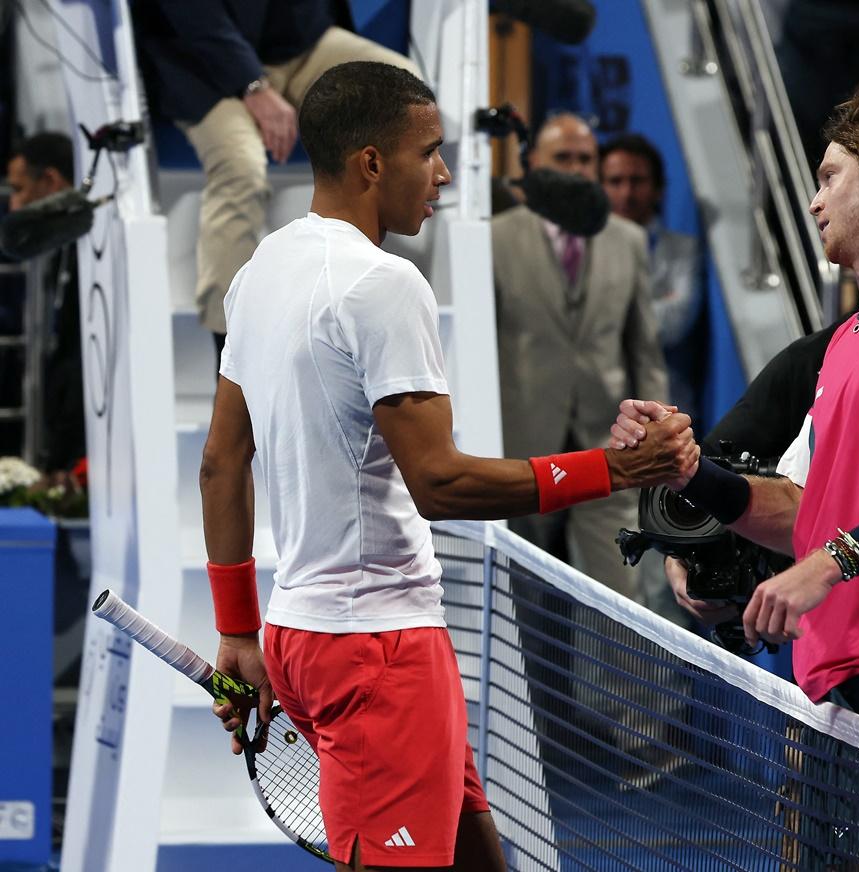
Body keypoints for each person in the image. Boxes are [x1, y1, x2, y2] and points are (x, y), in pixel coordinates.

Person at [199, 62, 696, 872]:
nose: (443, 174)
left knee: (479, 858)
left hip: (307, 634)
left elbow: (222, 463)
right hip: (377, 651)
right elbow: (441, 483)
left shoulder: (263, 269)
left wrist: (236, 631)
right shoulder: (384, 284)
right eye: (428, 152)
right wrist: (617, 469)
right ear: (369, 163)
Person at [616, 90, 859, 761]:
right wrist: (691, 473)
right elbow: (805, 513)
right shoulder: (844, 342)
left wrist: (828, 566)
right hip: (834, 677)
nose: (814, 200)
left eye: (831, 176)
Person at [131, 0, 421, 352]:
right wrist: (254, 86)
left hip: (300, 44)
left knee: (405, 98)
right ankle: (231, 355)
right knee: (241, 171)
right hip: (203, 65)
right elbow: (195, 17)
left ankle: (357, 288)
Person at [492, 114, 668, 602]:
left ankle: (626, 685)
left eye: (585, 159)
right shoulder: (493, 238)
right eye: (562, 158)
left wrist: (657, 434)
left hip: (609, 449)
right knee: (523, 610)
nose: (575, 169)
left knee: (621, 608)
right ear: (534, 166)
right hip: (521, 452)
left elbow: (644, 351)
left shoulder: (627, 239)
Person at [598, 133, 704, 420]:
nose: (626, 193)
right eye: (615, 181)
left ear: (657, 189)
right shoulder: (582, 251)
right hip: (595, 411)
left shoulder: (683, 250)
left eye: (637, 181)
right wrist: (653, 303)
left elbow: (676, 321)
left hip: (665, 407)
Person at [5, 132, 86, 472]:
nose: (14, 205)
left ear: (51, 180)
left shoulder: (94, 247)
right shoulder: (64, 244)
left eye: (19, 189)